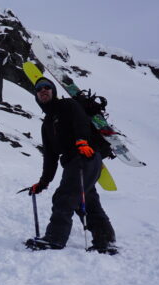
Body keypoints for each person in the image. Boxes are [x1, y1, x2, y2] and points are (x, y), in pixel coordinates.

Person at [24, 77, 117, 253]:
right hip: (75, 162)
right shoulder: (47, 125)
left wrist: (82, 141)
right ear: (36, 96)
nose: (43, 90)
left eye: (47, 87)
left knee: (64, 197)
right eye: (39, 89)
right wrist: (43, 182)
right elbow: (50, 157)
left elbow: (80, 121)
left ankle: (55, 238)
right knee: (87, 201)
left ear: (53, 91)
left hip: (84, 156)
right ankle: (105, 240)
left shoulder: (67, 105)